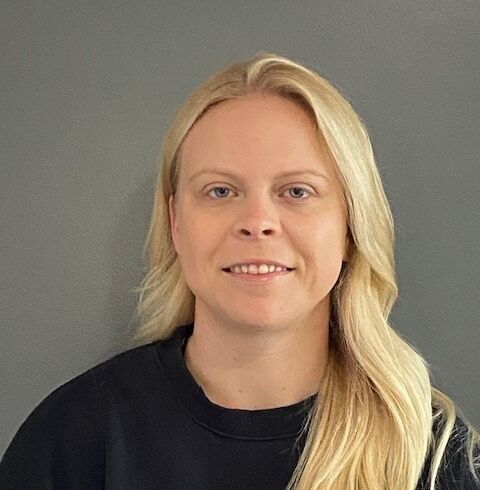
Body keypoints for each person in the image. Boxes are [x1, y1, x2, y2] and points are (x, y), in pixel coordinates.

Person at [1, 51, 479, 489]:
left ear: (351, 227)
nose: (257, 222)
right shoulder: (75, 438)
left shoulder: (430, 455)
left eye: (297, 191)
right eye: (220, 191)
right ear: (175, 223)